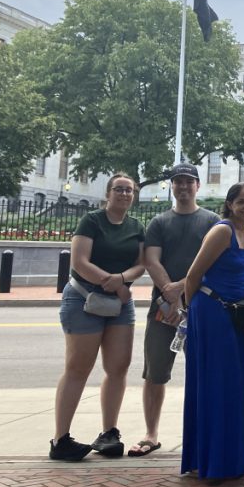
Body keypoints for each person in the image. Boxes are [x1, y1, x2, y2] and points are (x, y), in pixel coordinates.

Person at [50, 173, 145, 461]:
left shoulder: (136, 226)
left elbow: (141, 264)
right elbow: (79, 260)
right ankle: (61, 439)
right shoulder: (92, 220)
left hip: (119, 303)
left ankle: (109, 433)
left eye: (129, 190)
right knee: (78, 367)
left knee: (118, 367)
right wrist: (111, 281)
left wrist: (121, 279)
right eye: (119, 189)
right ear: (108, 193)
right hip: (83, 298)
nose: (124, 194)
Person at [131, 163, 218, 458]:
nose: (183, 187)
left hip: (201, 308)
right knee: (155, 372)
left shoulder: (212, 220)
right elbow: (152, 260)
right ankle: (151, 433)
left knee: (203, 373)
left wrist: (181, 287)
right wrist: (170, 292)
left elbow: (213, 262)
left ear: (198, 186)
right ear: (172, 186)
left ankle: (202, 431)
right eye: (177, 182)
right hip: (163, 311)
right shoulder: (159, 222)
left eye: (188, 181)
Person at [180, 182, 244, 482]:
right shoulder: (222, 231)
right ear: (229, 204)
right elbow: (192, 276)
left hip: (233, 316)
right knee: (213, 384)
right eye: (241, 202)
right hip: (211, 311)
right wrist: (192, 316)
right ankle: (209, 462)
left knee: (232, 386)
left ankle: (230, 459)